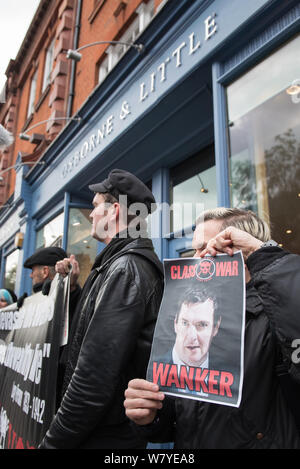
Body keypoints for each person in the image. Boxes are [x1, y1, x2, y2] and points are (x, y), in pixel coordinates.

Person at [124, 207, 300, 449]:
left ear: (242, 250)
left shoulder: (273, 317)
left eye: (205, 248)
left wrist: (263, 255)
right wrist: (150, 417)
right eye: (194, 249)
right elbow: (179, 424)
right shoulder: (182, 315)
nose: (196, 259)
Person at [39, 169, 164, 449]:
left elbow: (92, 378)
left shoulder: (126, 268)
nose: (91, 214)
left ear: (114, 211)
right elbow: (86, 336)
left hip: (103, 437)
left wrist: (53, 443)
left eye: (96, 206)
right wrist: (72, 289)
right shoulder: (115, 264)